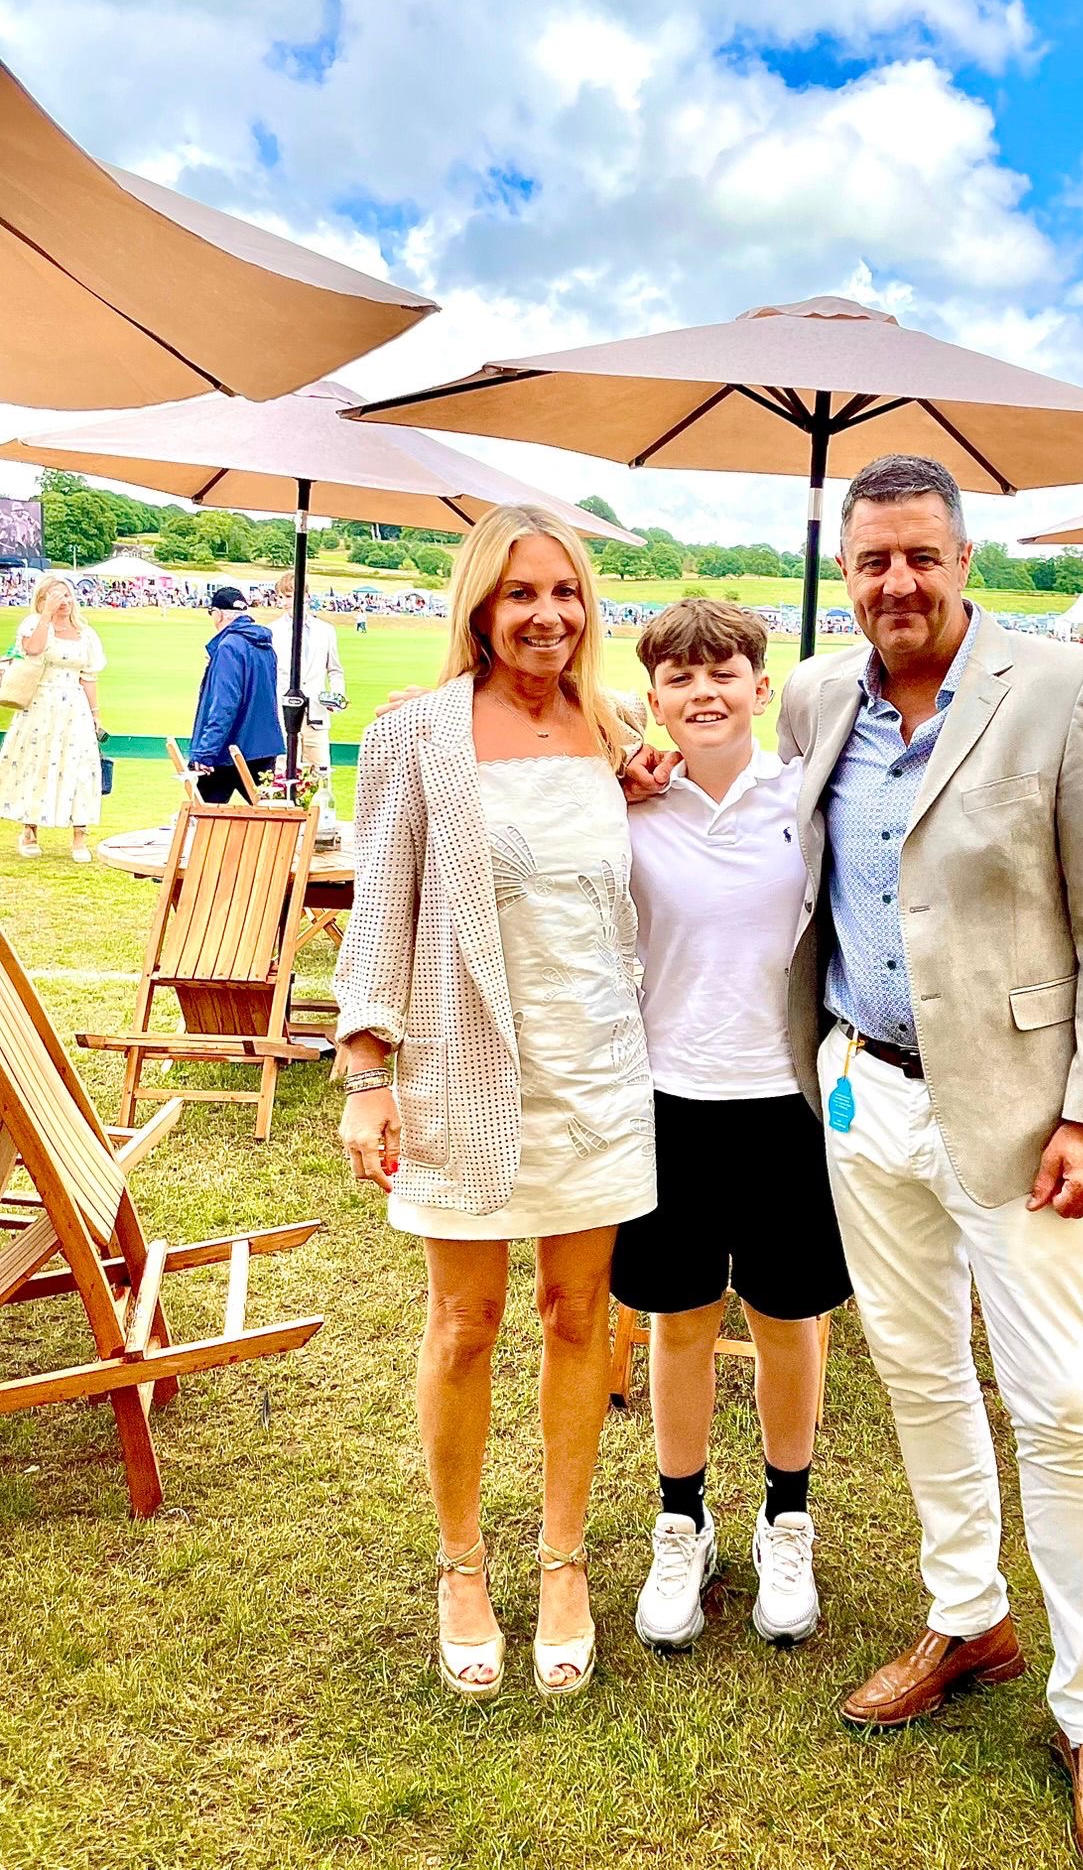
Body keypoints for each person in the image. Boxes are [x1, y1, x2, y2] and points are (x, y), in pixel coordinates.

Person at [780, 453, 1083, 1870]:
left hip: (1022, 1115)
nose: (897, 582)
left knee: (1060, 1405)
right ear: (848, 570)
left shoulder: (1063, 690)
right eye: (873, 559)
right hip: (862, 1095)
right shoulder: (816, 696)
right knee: (919, 1369)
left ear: (961, 561)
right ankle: (968, 1617)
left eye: (920, 556)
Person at [334, 503, 656, 1705]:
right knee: (465, 1323)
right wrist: (367, 1074)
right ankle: (461, 1561)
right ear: (480, 603)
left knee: (579, 1315)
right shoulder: (416, 732)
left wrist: (648, 773)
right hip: (465, 1066)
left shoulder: (614, 725)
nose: (546, 615)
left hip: (599, 1072)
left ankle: (563, 1558)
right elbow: (381, 906)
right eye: (521, 592)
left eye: (565, 592)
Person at [614, 601, 851, 1653]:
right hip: (666, 1096)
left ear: (762, 686)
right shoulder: (626, 801)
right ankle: (683, 1520)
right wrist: (621, 756)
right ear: (653, 697)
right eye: (679, 677)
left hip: (789, 1099)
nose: (703, 692)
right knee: (680, 1318)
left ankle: (786, 1516)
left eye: (724, 672)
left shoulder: (808, 796)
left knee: (788, 1315)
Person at [0, 573, 105, 863]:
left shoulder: (86, 634)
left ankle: (80, 835)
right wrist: (45, 616)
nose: (63, 602)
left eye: (67, 595)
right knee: (36, 764)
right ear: (42, 599)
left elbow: (88, 677)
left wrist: (95, 714)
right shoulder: (34, 624)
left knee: (80, 766)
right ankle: (29, 830)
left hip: (74, 706)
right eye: (56, 596)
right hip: (40, 704)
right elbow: (32, 650)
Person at [187, 587, 283, 803]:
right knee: (268, 816)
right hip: (263, 746)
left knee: (206, 816)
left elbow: (224, 705)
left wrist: (206, 752)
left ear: (218, 614)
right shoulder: (265, 646)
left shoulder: (229, 647)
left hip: (229, 751)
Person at [269, 570, 347, 771]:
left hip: (316, 713)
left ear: (306, 596)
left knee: (320, 773)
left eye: (289, 596)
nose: (284, 602)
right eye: (281, 597)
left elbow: (335, 670)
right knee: (283, 773)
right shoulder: (271, 631)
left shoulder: (326, 630)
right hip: (283, 713)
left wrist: (336, 696)